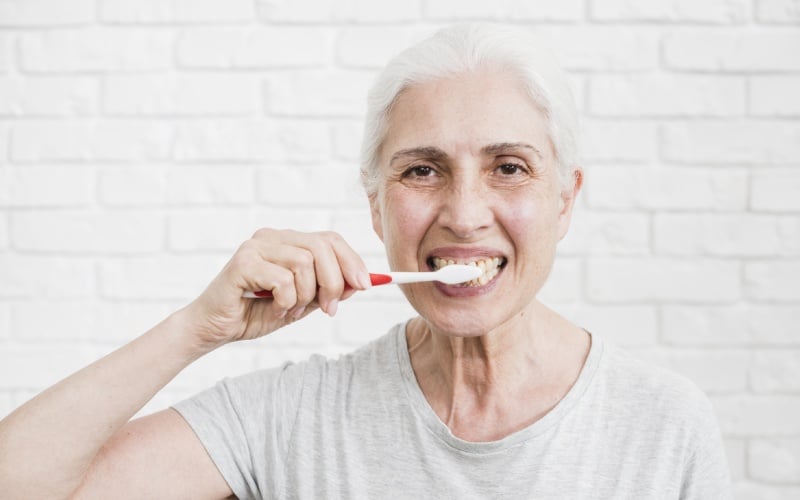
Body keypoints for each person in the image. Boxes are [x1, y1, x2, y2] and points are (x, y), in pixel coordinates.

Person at [0, 24, 731, 499]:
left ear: (565, 200)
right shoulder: (293, 418)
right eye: (422, 170)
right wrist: (197, 329)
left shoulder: (662, 426)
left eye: (509, 167)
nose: (465, 212)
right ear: (377, 206)